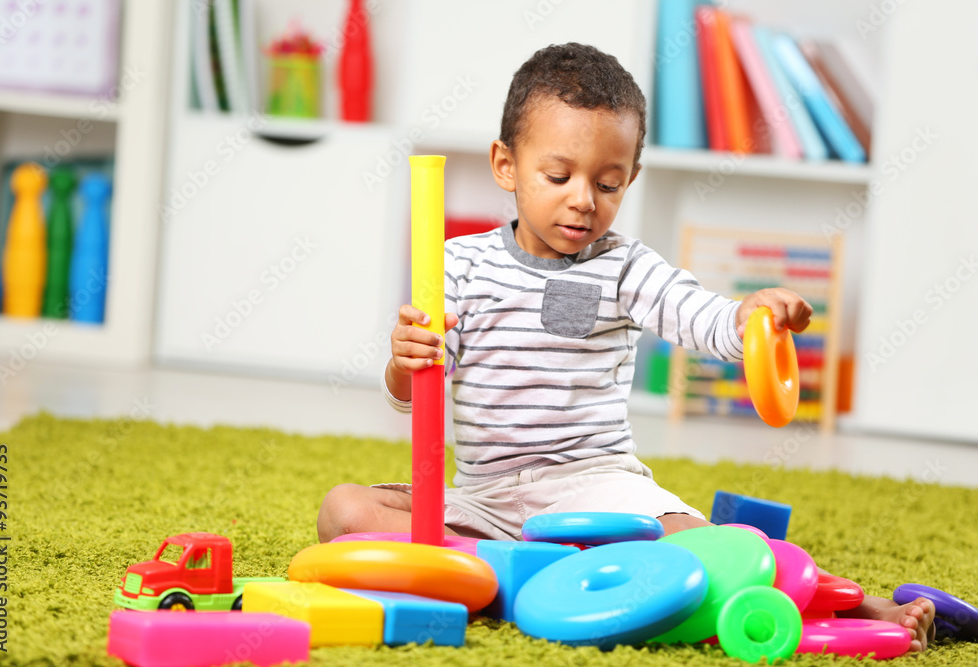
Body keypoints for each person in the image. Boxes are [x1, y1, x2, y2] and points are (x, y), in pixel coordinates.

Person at [317, 42, 935, 651]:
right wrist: (405, 362)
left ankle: (854, 601)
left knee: (713, 548)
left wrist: (750, 316)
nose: (583, 199)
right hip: (486, 499)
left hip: (599, 486)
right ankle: (536, 567)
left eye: (608, 184)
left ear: (630, 178)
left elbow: (702, 318)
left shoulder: (626, 268)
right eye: (558, 176)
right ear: (505, 164)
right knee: (344, 512)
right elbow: (410, 396)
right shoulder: (458, 264)